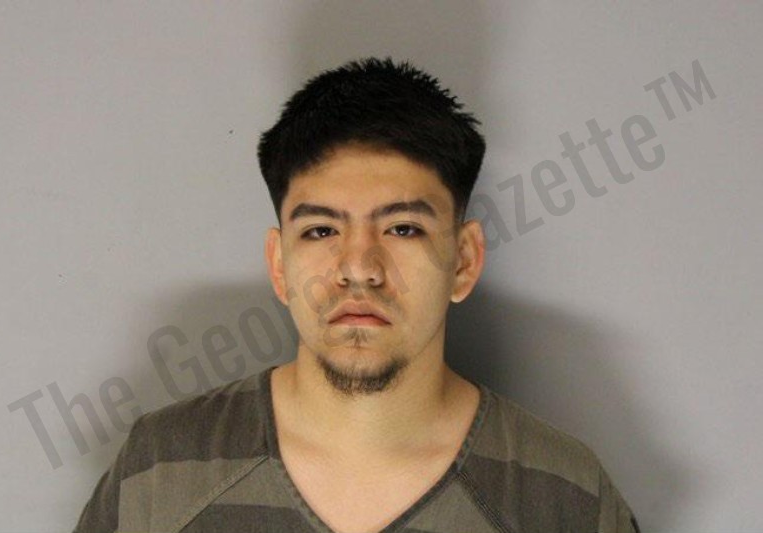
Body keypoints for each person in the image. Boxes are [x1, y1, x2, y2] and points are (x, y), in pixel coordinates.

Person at [74, 58, 640, 533]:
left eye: (403, 228)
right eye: (321, 230)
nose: (360, 269)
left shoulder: (565, 497)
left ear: (464, 261)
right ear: (279, 265)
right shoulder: (159, 471)